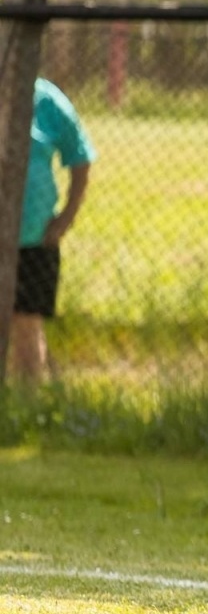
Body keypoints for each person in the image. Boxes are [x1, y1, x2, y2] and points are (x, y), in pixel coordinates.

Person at [11, 77, 95, 386]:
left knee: (27, 323)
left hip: (34, 238)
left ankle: (25, 408)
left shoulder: (46, 100)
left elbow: (80, 157)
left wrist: (65, 219)